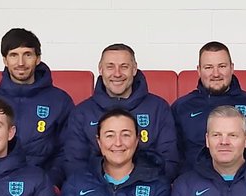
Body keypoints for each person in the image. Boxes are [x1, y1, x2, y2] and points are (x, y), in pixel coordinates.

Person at [64, 43, 179, 179]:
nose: (117, 74)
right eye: (110, 67)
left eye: (124, 67)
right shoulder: (82, 112)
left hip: (146, 189)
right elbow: (74, 165)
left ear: (134, 69)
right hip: (96, 192)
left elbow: (169, 162)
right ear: (100, 70)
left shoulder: (158, 108)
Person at [0, 28, 73, 186]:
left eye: (27, 55)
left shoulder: (60, 100)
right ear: (5, 60)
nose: (21, 63)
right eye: (14, 55)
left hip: (43, 186)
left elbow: (67, 151)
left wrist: (48, 183)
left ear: (37, 59)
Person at [171, 41, 246, 172]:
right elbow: (174, 157)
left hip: (243, 182)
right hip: (195, 184)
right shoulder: (181, 108)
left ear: (232, 68)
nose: (216, 74)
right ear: (198, 70)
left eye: (222, 66)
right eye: (208, 67)